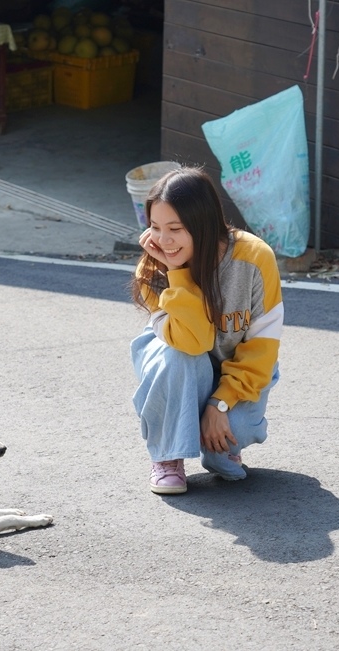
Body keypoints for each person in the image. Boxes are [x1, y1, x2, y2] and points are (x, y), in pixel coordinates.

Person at [130, 166, 283, 494]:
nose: (163, 240)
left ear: (203, 224)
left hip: (239, 370)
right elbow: (194, 342)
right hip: (177, 358)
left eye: (176, 228)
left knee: (230, 437)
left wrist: (221, 403)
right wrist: (176, 272)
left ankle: (214, 442)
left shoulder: (255, 259)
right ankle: (168, 455)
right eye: (155, 227)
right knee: (184, 358)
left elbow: (262, 346)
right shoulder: (153, 266)